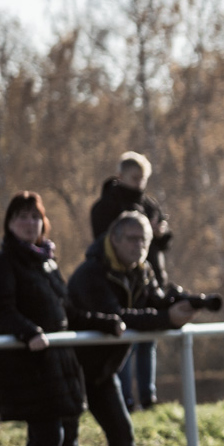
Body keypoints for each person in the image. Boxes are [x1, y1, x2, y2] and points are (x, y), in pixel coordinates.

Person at [0, 192, 122, 446]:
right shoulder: (0, 265)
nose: (30, 224)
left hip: (57, 364)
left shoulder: (47, 263)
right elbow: (2, 312)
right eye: (21, 217)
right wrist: (29, 332)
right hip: (28, 365)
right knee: (49, 436)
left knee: (47, 439)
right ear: (9, 224)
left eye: (35, 217)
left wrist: (105, 322)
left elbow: (68, 313)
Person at [67, 211, 206, 446]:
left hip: (103, 371)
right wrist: (167, 318)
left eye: (144, 239)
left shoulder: (141, 271)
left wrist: (187, 303)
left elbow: (155, 301)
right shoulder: (91, 273)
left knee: (122, 432)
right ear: (113, 239)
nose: (139, 246)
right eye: (132, 238)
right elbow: (119, 316)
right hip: (72, 367)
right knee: (63, 441)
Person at [90, 151, 172, 411]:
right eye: (135, 177)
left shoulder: (150, 204)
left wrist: (161, 232)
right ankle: (125, 398)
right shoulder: (106, 205)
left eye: (143, 178)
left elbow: (163, 240)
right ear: (121, 175)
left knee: (149, 337)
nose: (139, 183)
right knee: (123, 339)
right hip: (117, 281)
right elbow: (103, 241)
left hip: (150, 279)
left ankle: (148, 397)